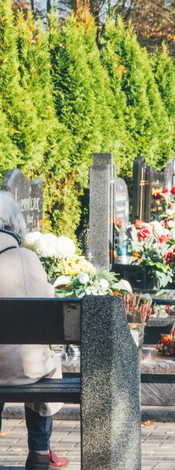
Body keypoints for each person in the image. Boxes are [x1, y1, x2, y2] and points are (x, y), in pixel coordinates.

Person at [0, 192, 69, 469]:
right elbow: (49, 309)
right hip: (30, 372)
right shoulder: (26, 258)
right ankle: (40, 449)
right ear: (14, 223)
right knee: (39, 361)